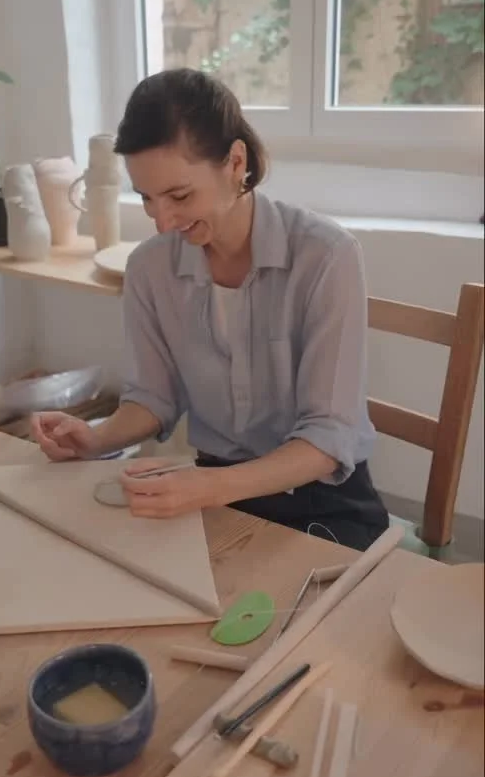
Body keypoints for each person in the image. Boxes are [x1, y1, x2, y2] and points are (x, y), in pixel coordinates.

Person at [32, 68, 389, 551]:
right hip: (215, 491)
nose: (163, 222)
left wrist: (211, 488)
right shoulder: (149, 268)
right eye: (147, 199)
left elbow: (330, 436)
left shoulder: (325, 256)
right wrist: (96, 439)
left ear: (236, 162)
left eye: (179, 196)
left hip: (322, 498)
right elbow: (153, 397)